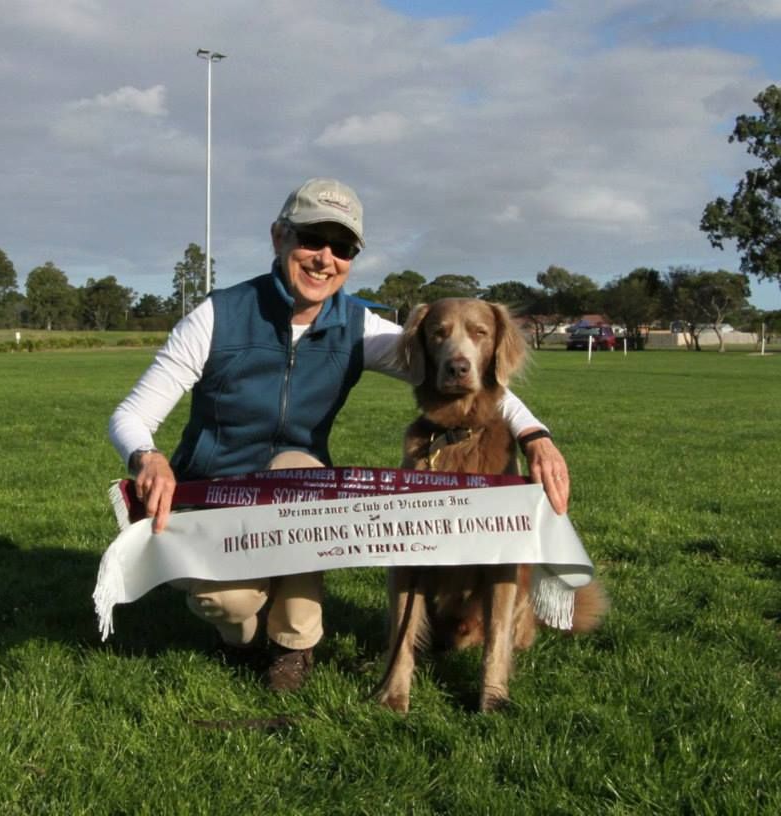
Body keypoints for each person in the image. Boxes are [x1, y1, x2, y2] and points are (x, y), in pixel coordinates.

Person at [109, 178, 571, 692]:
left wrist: (535, 436)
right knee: (228, 603)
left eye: (343, 247)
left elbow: (474, 376)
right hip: (218, 490)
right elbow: (131, 415)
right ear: (279, 237)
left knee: (301, 476)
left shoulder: (358, 328)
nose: (325, 258)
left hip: (295, 482)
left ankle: (294, 646)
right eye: (312, 239)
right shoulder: (218, 316)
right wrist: (147, 456)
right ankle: (241, 637)